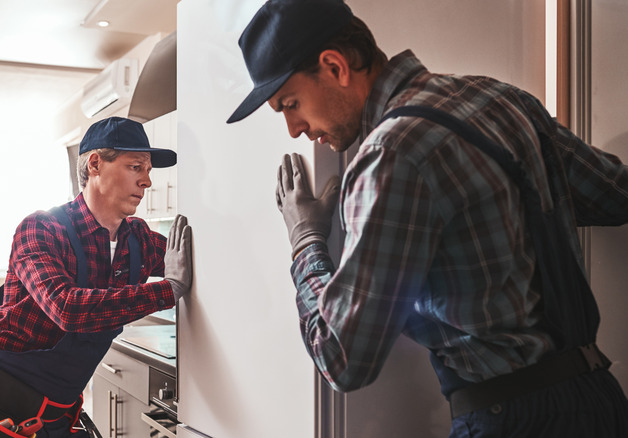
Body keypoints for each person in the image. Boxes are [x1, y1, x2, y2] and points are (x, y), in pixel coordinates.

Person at [227, 0, 628, 436]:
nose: (293, 129)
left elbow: (342, 359)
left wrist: (305, 239)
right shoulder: (501, 99)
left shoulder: (389, 154)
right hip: (600, 399)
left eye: (290, 103)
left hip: (510, 420)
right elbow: (616, 195)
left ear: (335, 66)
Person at [0, 116, 192, 438]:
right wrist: (167, 291)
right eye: (135, 167)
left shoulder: (138, 239)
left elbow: (194, 264)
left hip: (58, 408)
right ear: (96, 164)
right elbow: (67, 309)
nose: (147, 181)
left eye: (148, 170)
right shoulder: (42, 229)